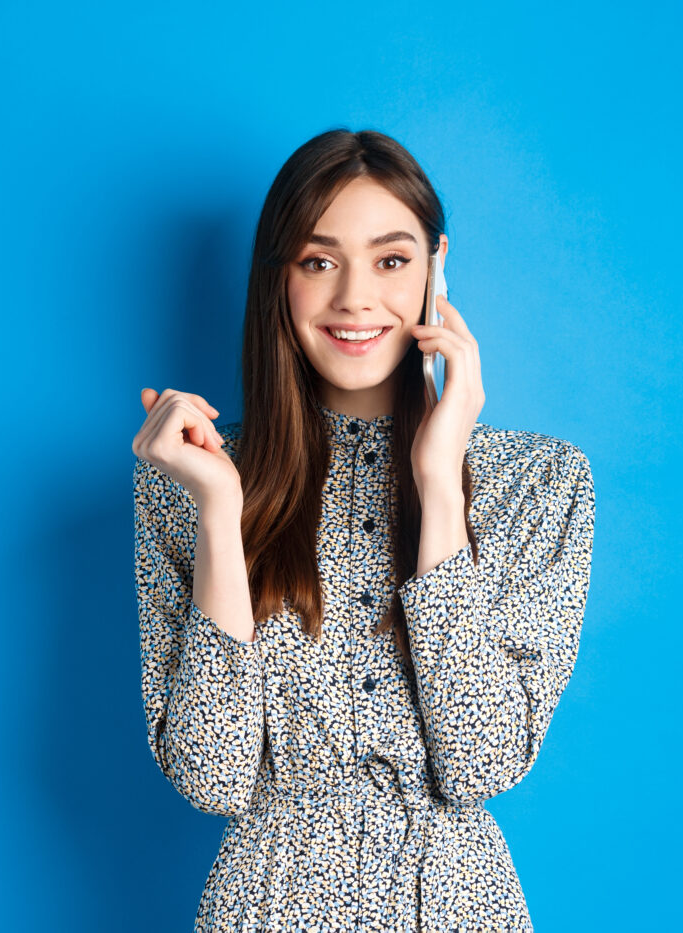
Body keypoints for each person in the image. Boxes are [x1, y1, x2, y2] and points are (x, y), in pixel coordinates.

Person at [129, 127, 595, 931]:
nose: (354, 297)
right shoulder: (189, 476)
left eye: (390, 259)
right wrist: (216, 508)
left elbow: (481, 758)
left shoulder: (540, 482)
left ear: (436, 266)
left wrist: (439, 483)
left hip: (456, 907)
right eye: (318, 261)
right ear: (278, 279)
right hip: (264, 906)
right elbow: (216, 775)